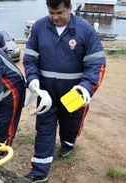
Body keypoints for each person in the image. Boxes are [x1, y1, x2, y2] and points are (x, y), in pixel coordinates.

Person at [23, 0, 106, 182]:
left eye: (60, 12)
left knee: (71, 124)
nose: (55, 17)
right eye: (51, 12)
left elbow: (97, 63)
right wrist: (33, 79)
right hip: (46, 91)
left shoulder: (86, 30)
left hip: (74, 91)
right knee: (44, 126)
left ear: (70, 8)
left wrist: (86, 87)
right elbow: (30, 58)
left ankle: (67, 144)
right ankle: (39, 171)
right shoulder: (39, 27)